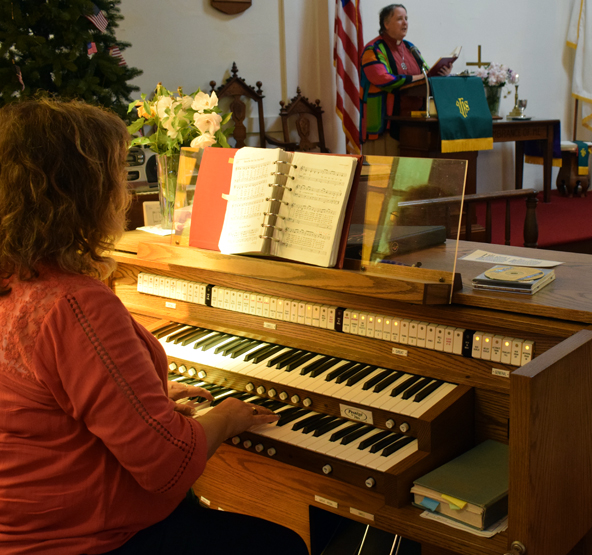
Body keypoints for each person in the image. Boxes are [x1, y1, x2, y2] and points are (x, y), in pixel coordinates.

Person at [0, 99, 308, 555]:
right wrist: (226, 416)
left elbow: (50, 403)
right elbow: (168, 465)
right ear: (81, 193)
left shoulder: (17, 279)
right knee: (281, 545)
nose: (122, 191)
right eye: (116, 176)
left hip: (20, 525)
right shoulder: (74, 304)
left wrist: (148, 400)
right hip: (82, 540)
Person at [359, 3, 452, 155]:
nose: (405, 23)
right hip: (385, 124)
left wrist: (442, 73)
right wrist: (421, 77)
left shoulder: (410, 48)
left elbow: (426, 75)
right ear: (386, 24)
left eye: (406, 18)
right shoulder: (373, 49)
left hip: (416, 125)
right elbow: (384, 79)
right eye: (399, 19)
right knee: (383, 175)